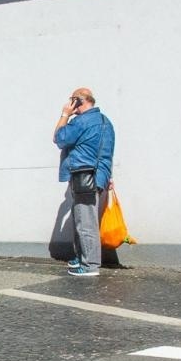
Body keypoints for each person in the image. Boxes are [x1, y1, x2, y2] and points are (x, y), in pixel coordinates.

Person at [54, 87, 115, 278]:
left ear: (78, 101)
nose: (70, 104)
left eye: (72, 100)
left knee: (85, 222)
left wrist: (65, 114)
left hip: (83, 175)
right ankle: (82, 258)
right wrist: (109, 177)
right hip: (98, 175)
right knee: (83, 218)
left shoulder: (81, 121)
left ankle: (90, 265)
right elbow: (107, 152)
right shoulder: (105, 122)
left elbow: (59, 138)